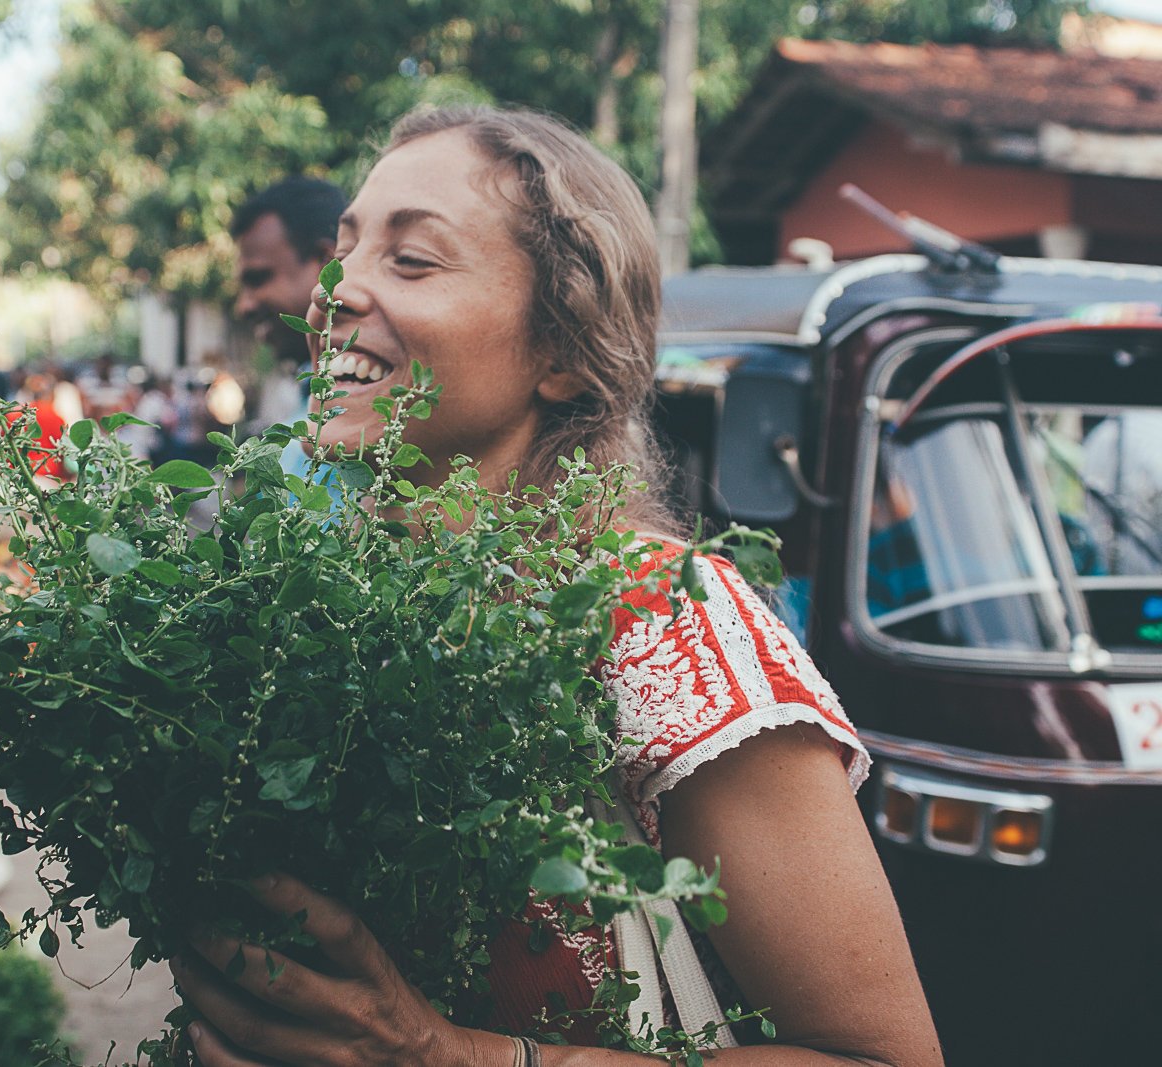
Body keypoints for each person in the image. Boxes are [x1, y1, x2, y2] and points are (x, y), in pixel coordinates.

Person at [167, 108, 941, 1067]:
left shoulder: (659, 621)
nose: (335, 292)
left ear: (563, 356)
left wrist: (458, 1057)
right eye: (344, 247)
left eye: (411, 261)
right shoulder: (326, 602)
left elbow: (883, 1058)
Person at [231, 177, 348, 485]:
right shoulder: (307, 399)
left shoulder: (371, 416)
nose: (243, 306)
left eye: (258, 279)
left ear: (328, 263)